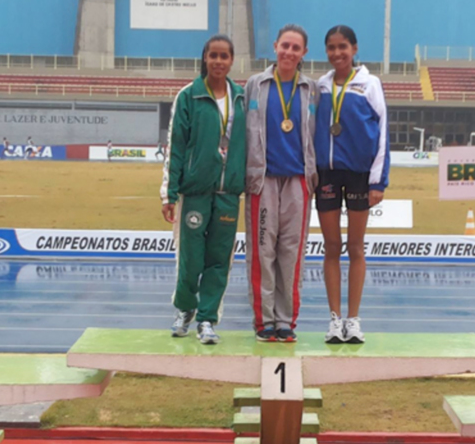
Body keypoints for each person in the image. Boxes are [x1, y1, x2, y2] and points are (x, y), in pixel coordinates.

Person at [160, 34, 246, 345]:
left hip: (227, 194)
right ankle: (185, 309)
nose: (219, 61)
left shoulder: (242, 98)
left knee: (219, 260)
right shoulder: (189, 96)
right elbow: (176, 147)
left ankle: (208, 320)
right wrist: (168, 193)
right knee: (190, 259)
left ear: (232, 60)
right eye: (214, 55)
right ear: (205, 58)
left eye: (225, 56)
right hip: (194, 192)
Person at [315, 25, 390, 344]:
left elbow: (383, 132)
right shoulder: (320, 86)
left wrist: (378, 181)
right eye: (331, 47)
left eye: (342, 46)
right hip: (327, 174)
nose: (337, 53)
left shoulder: (370, 84)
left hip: (360, 174)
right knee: (332, 247)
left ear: (355, 49)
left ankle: (354, 320)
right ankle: (334, 320)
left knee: (356, 247)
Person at [244, 24, 319, 342]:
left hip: (299, 181)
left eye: (296, 47)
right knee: (263, 251)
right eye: (284, 45)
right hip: (263, 180)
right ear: (275, 46)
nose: (289, 52)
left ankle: (286, 319)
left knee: (292, 252)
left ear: (303, 53)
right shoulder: (255, 85)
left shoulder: (311, 90)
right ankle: (264, 320)